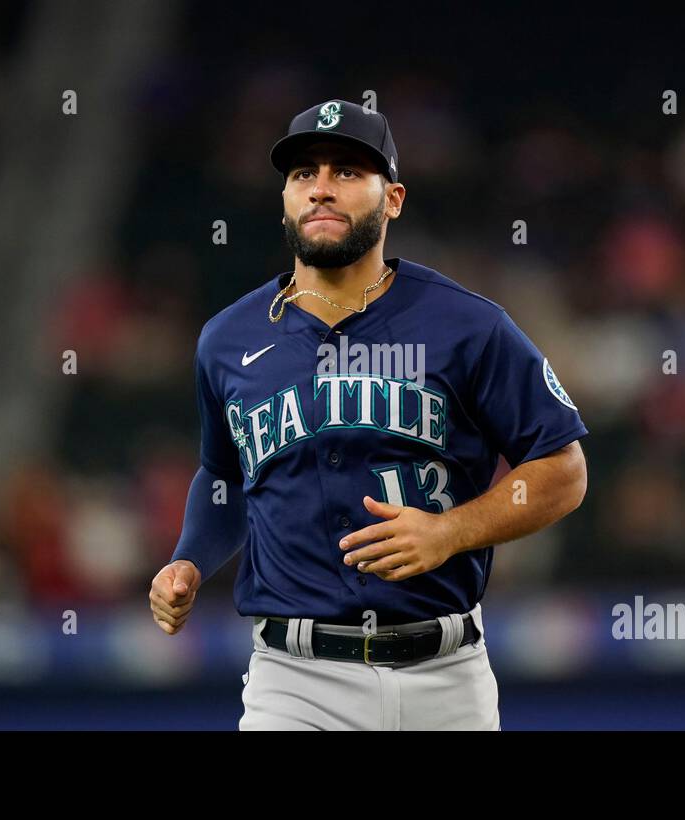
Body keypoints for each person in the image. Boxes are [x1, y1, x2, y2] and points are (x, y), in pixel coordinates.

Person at [149, 99, 588, 730]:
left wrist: (451, 531)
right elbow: (224, 478)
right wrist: (188, 558)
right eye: (304, 174)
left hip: (446, 677)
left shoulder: (468, 325)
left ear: (394, 199)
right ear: (284, 198)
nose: (322, 189)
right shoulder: (226, 339)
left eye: (348, 171)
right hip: (295, 683)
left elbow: (564, 468)